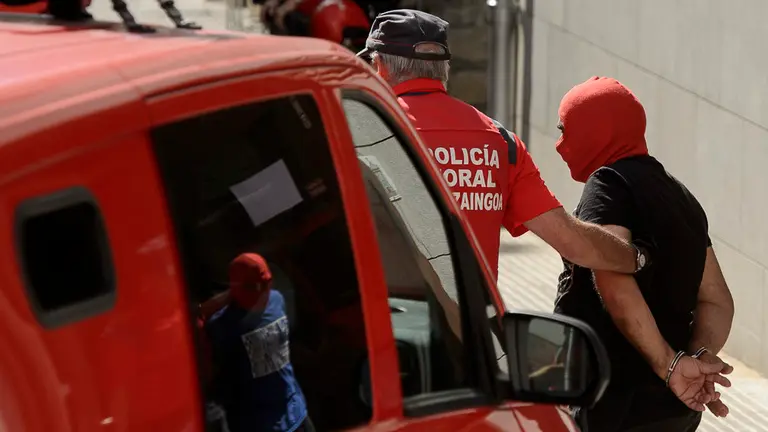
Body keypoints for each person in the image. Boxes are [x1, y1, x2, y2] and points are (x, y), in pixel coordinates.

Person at [356, 9, 648, 281]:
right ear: (443, 68)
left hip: (380, 321)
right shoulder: (500, 141)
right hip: (477, 330)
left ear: (380, 66)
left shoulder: (358, 132)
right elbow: (569, 239)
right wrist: (637, 258)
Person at [552, 76, 735, 431]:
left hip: (613, 401)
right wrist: (694, 360)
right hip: (676, 407)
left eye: (566, 128)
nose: (560, 145)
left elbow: (615, 286)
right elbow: (718, 300)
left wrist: (669, 364)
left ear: (596, 129)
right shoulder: (680, 196)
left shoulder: (607, 184)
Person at [206, 253, 314, 432]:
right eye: (254, 287)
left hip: (293, 412)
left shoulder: (275, 300)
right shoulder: (223, 325)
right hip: (270, 422)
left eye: (266, 284)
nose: (263, 292)